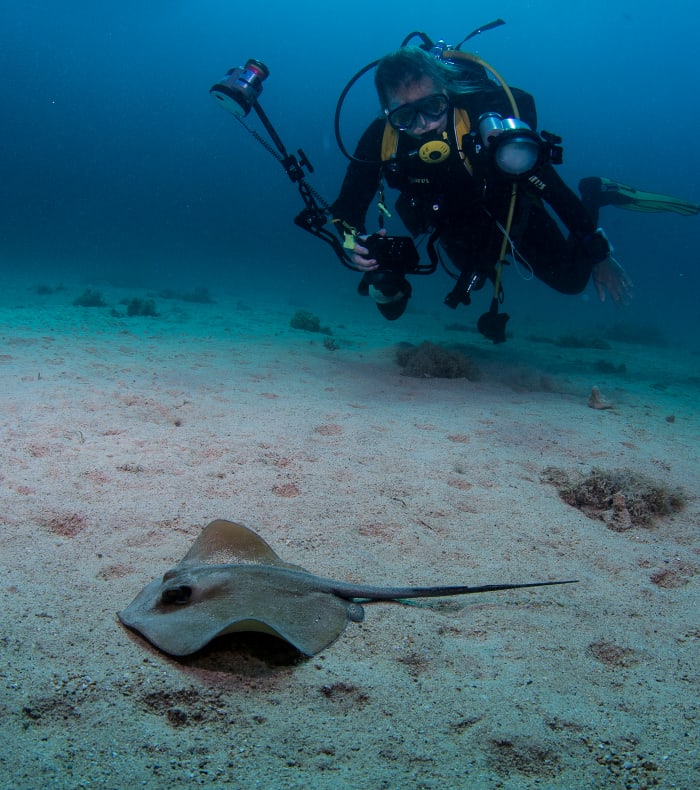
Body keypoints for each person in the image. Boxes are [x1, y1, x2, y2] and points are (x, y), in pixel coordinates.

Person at [329, 46, 699, 337]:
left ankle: (597, 191)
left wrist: (598, 251)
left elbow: (552, 189)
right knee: (390, 296)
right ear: (387, 111)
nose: (423, 125)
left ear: (448, 91)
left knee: (572, 282)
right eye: (405, 116)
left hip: (511, 211)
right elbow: (347, 206)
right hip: (454, 229)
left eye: (433, 108)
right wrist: (352, 243)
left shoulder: (483, 122)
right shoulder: (381, 138)